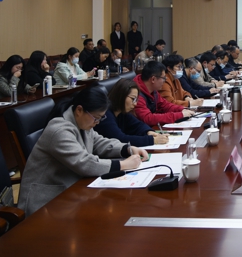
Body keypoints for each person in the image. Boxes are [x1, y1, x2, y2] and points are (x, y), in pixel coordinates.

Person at [17, 86, 148, 217]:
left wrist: (127, 149)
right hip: (45, 203)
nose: (97, 122)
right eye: (96, 118)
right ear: (79, 110)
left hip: (71, 192)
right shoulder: (59, 130)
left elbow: (98, 142)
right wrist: (123, 165)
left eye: (100, 118)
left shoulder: (82, 123)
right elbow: (84, 162)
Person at [94, 79, 169, 147]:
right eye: (133, 99)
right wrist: (152, 140)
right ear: (121, 96)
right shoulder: (105, 114)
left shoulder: (122, 112)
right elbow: (120, 139)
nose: (135, 104)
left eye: (136, 100)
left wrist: (149, 132)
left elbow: (138, 125)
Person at [133, 61, 195, 126]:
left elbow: (165, 105)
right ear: (153, 79)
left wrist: (183, 109)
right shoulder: (136, 95)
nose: (165, 81)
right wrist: (179, 115)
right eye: (163, 78)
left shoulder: (153, 90)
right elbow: (148, 118)